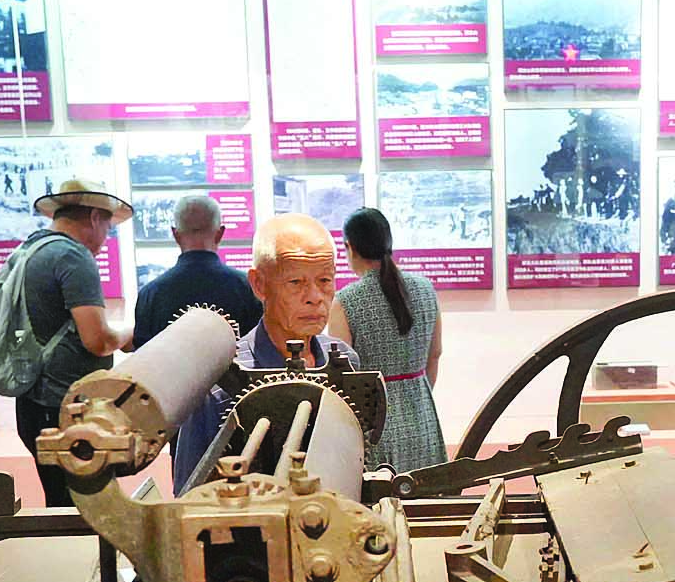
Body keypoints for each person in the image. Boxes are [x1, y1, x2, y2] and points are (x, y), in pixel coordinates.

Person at [171, 214, 364, 483]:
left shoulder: (344, 360)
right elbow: (190, 488)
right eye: (296, 283)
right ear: (259, 284)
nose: (314, 298)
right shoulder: (221, 381)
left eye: (324, 280)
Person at [16, 179, 134, 507]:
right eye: (108, 227)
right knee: (83, 509)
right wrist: (128, 335)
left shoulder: (31, 250)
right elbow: (98, 340)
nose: (106, 239)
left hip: (34, 403)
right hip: (66, 408)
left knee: (58, 500)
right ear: (95, 217)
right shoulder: (73, 256)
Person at [328, 208, 445, 473]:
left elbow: (341, 374)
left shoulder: (346, 301)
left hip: (374, 425)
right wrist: (417, 391)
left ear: (350, 247)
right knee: (427, 492)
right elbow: (435, 353)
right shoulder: (425, 288)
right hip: (422, 414)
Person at [133, 193, 259, 348]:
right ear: (220, 234)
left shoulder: (150, 295)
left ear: (175, 235)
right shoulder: (249, 289)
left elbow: (143, 356)